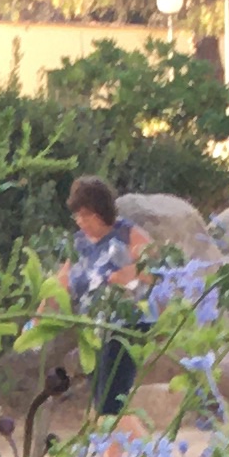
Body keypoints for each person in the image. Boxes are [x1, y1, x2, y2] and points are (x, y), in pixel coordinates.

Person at [62, 173, 146, 419]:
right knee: (103, 404)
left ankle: (136, 454)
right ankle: (136, 454)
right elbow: (60, 282)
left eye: (86, 215)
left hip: (124, 325)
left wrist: (127, 274)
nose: (80, 221)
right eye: (77, 215)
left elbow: (156, 269)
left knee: (110, 405)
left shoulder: (127, 233)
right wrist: (36, 318)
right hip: (93, 330)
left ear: (102, 211)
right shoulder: (78, 244)